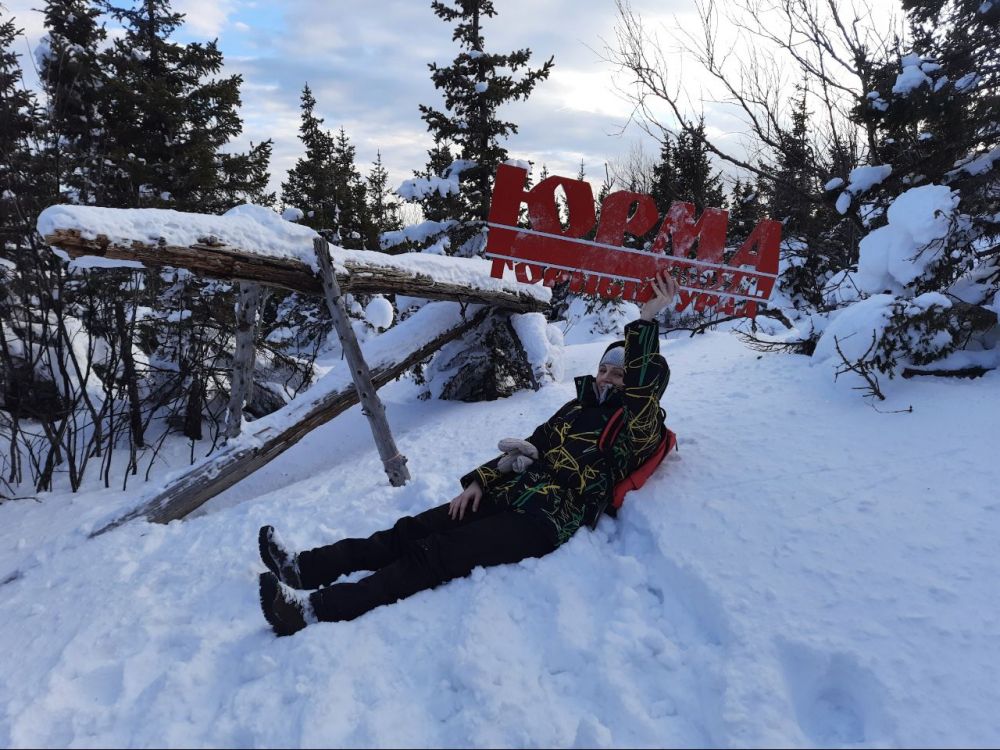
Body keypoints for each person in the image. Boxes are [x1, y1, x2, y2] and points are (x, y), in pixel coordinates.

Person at [258, 270, 678, 636]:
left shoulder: (639, 426)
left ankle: (313, 610)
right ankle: (305, 568)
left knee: (436, 554)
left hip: (546, 518)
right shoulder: (576, 407)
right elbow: (534, 443)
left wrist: (645, 320)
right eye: (604, 368)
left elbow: (641, 396)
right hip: (514, 488)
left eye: (618, 373)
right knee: (411, 530)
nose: (605, 378)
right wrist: (482, 481)